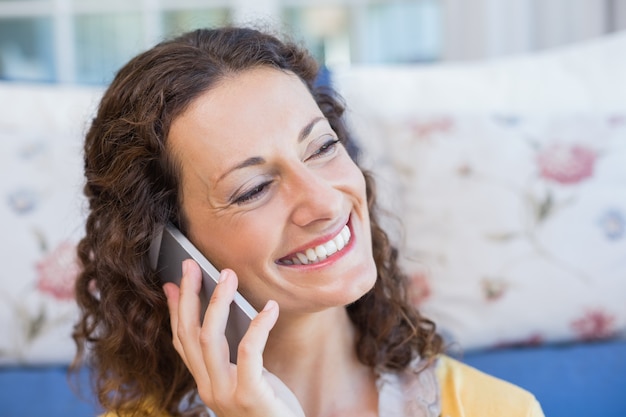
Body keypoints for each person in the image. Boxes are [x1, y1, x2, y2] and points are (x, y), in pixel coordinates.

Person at [72, 26, 544, 417]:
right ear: (171, 250)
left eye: (321, 147)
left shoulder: (499, 409)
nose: (323, 201)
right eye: (253, 188)